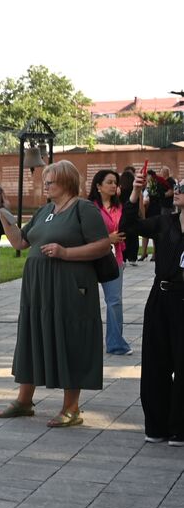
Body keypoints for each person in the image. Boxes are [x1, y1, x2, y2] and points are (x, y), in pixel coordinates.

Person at [0, 160, 111, 427]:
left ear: (67, 182)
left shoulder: (83, 209)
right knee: (33, 335)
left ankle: (71, 408)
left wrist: (65, 253)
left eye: (50, 182)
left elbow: (103, 245)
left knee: (71, 339)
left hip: (70, 286)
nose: (45, 186)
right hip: (38, 288)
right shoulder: (45, 210)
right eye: (45, 181)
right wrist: (3, 213)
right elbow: (20, 242)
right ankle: (24, 401)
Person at [129, 170, 184, 444]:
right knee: (155, 363)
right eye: (179, 186)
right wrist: (135, 193)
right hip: (160, 297)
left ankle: (180, 427)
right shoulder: (164, 222)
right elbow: (130, 226)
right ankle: (157, 425)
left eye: (183, 188)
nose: (178, 190)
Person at [90, 169, 131, 356]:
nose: (114, 185)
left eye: (116, 182)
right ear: (98, 186)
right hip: (90, 259)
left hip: (114, 259)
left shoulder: (119, 207)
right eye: (109, 182)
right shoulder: (89, 208)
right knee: (85, 301)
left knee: (114, 301)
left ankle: (115, 344)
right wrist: (108, 239)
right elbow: (84, 234)